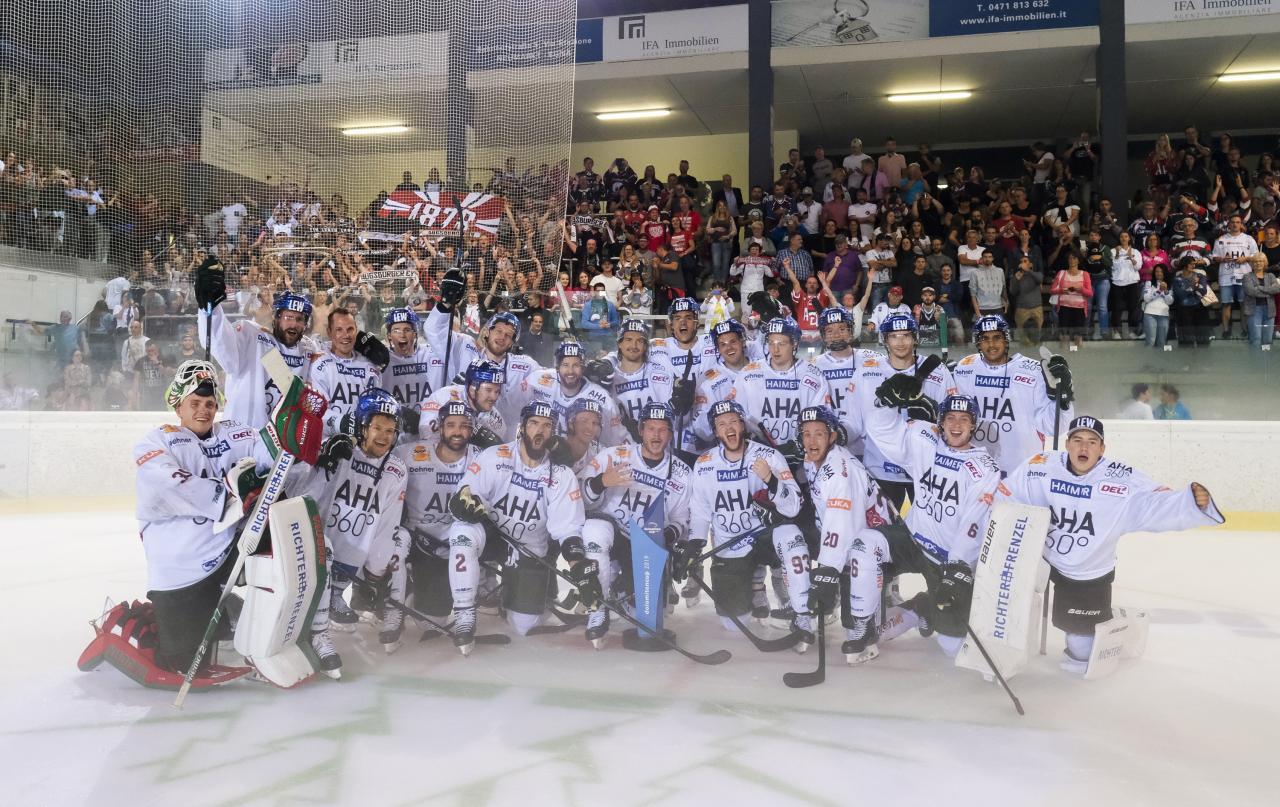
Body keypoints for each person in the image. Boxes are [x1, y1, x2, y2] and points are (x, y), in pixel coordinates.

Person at [96, 361, 322, 688]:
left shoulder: (233, 432)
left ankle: (280, 635)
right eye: (195, 404)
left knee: (290, 548)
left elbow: (268, 450)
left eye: (210, 404)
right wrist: (229, 494)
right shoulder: (157, 442)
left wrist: (296, 419)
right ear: (178, 405)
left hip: (229, 546)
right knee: (185, 662)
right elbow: (167, 486)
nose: (204, 410)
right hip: (181, 566)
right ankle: (138, 620)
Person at [1002, 416, 1222, 673]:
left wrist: (1189, 503)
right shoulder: (1041, 465)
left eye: (1092, 442)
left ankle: (1114, 625)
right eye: (1077, 441)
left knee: (1080, 646)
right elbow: (1009, 492)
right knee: (1014, 607)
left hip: (1087, 569)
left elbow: (1153, 504)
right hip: (1041, 557)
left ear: (1102, 448)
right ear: (1067, 444)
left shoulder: (1121, 478)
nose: (1084, 448)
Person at [862, 388, 1007, 656]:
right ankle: (859, 624)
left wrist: (958, 569)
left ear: (973, 425)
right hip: (913, 540)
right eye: (950, 417)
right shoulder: (924, 439)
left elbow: (974, 524)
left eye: (964, 419)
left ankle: (922, 607)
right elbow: (880, 431)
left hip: (946, 558)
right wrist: (885, 403)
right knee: (865, 545)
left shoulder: (984, 468)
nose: (956, 425)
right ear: (940, 422)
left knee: (952, 645)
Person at [445, 401, 588, 652]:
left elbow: (567, 529)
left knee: (523, 625)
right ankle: (465, 613)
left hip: (528, 548)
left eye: (547, 425)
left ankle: (525, 596)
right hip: (493, 536)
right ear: (522, 427)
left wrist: (579, 567)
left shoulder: (562, 474)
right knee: (462, 531)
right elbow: (466, 493)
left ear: (553, 433)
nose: (540, 431)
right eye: (534, 423)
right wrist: (462, 504)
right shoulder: (494, 456)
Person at [678, 400, 812, 645]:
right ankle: (753, 584)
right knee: (734, 625)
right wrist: (695, 544)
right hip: (730, 545)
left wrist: (770, 480)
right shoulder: (705, 464)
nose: (728, 427)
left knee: (792, 535)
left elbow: (793, 507)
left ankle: (803, 612)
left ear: (742, 425)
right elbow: (700, 510)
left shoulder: (769, 456)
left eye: (733, 421)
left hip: (764, 538)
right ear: (716, 432)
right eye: (721, 424)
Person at [294, 389, 409, 675]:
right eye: (378, 428)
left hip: (354, 554)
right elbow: (302, 494)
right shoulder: (339, 448)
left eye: (391, 430)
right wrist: (323, 464)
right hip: (315, 543)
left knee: (399, 540)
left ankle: (338, 603)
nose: (384, 436)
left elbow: (387, 523)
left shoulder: (396, 469)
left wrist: (375, 574)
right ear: (362, 426)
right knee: (326, 553)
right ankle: (317, 635)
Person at [578, 403, 693, 646]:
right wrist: (601, 482)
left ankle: (621, 588)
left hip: (646, 545)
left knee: (644, 617)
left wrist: (668, 539)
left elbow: (681, 519)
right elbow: (582, 502)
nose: (657, 436)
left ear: (671, 434)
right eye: (651, 428)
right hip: (612, 531)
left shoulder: (682, 473)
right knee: (593, 531)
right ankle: (598, 607)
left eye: (663, 430)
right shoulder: (613, 456)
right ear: (641, 430)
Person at [846, 314, 957, 509]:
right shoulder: (865, 372)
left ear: (915, 338)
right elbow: (853, 421)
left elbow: (953, 422)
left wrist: (929, 411)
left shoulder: (937, 371)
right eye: (894, 336)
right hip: (879, 470)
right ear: (885, 340)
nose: (900, 342)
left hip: (926, 471)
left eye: (905, 335)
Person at [396, 401, 484, 625]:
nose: (457, 431)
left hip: (451, 544)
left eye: (464, 425)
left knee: (433, 620)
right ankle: (403, 588)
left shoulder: (482, 458)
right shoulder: (411, 453)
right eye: (451, 425)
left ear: (472, 429)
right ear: (440, 428)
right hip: (416, 540)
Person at [952, 315, 1074, 468]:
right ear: (978, 342)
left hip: (1020, 474)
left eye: (997, 337)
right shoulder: (965, 368)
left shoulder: (1033, 371)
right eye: (985, 338)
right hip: (976, 470)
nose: (991, 344)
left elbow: (1052, 427)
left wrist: (1063, 397)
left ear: (1006, 339)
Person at [429, 268, 541, 428]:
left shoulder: (525, 366)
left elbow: (552, 380)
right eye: (498, 331)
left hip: (506, 442)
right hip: (462, 438)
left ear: (512, 343)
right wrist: (446, 302)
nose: (502, 337)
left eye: (508, 335)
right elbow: (434, 331)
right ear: (487, 332)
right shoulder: (465, 350)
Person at [198, 280, 319, 428]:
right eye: (288, 317)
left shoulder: (309, 348)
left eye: (299, 319)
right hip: (241, 438)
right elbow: (219, 343)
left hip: (284, 442)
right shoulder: (252, 336)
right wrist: (209, 307)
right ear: (276, 318)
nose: (293, 324)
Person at [731, 317, 830, 448]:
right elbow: (738, 415)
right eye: (771, 343)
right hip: (758, 454)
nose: (775, 350)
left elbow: (821, 418)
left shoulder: (814, 375)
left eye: (781, 344)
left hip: (802, 457)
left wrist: (800, 446)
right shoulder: (747, 374)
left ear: (794, 344)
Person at [518, 341, 623, 444]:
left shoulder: (602, 398)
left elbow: (617, 440)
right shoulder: (538, 380)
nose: (570, 371)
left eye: (576, 365)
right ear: (557, 367)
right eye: (565, 365)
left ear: (583, 368)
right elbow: (517, 411)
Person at [1210, 213, 1257, 339]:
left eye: (1238, 222)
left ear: (1241, 224)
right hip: (1226, 276)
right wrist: (1222, 258)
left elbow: (1256, 256)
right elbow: (1214, 257)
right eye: (1233, 222)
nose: (1235, 224)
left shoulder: (1249, 239)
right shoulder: (1220, 240)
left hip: (1244, 276)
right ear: (1229, 224)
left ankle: (1244, 329)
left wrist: (1245, 258)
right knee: (1226, 304)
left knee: (1243, 304)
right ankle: (1226, 330)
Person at [382, 308, 439, 408]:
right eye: (396, 330)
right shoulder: (382, 358)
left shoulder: (430, 353)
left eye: (407, 330)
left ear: (415, 334)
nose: (402, 335)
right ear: (389, 336)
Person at [1051, 253, 1093, 352]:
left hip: (1079, 309)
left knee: (1078, 337)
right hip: (1064, 308)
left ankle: (1076, 357)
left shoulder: (1085, 274)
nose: (1072, 260)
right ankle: (1065, 356)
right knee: (1065, 337)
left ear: (1078, 260)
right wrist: (1062, 290)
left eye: (1074, 258)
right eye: (1070, 258)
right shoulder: (1061, 273)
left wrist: (1080, 289)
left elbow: (1090, 293)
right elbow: (1052, 290)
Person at [1241, 253, 1280, 349]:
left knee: (1267, 339)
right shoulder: (1247, 276)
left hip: (1269, 310)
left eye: (1261, 261)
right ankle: (1256, 361)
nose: (1258, 263)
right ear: (1252, 264)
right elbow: (1251, 292)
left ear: (1265, 263)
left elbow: (1276, 289)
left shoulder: (1270, 276)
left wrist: (1259, 287)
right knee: (1256, 338)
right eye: (1255, 261)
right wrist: (1268, 291)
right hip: (1254, 310)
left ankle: (1266, 361)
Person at [1141, 264, 1175, 350]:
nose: (1158, 273)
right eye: (1156, 271)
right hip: (1150, 314)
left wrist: (1165, 291)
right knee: (1151, 341)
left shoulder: (1169, 284)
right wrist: (1159, 290)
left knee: (1162, 342)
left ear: (1164, 273)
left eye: (1161, 271)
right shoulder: (1149, 283)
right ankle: (1147, 362)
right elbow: (1146, 298)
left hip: (1164, 315)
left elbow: (1170, 301)